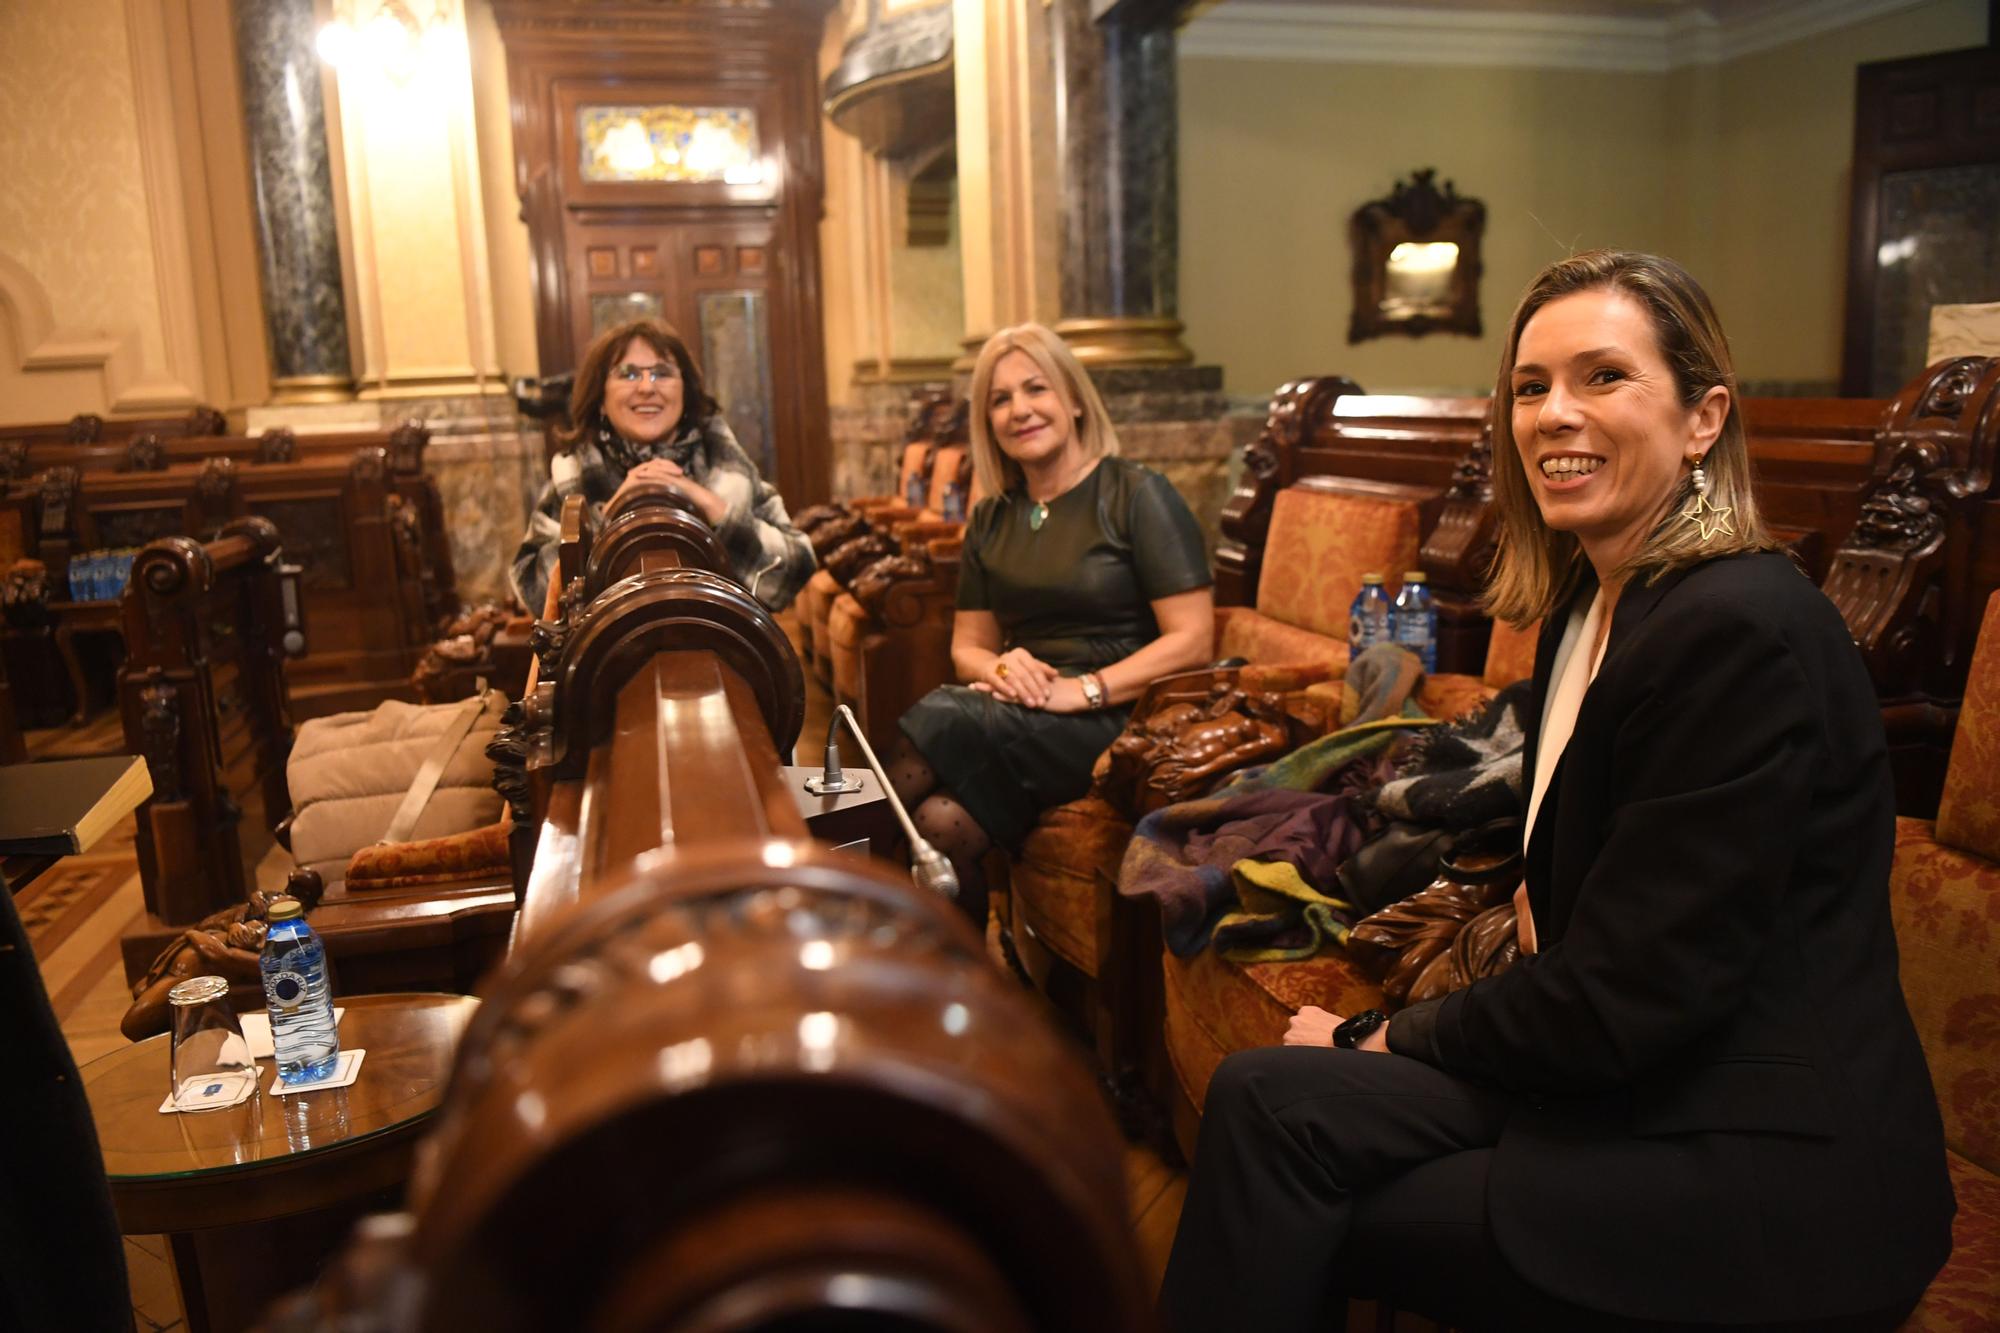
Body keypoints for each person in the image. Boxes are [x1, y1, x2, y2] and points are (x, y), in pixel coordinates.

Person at [1160, 251, 1955, 1332]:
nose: (1551, 414)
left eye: (1601, 377)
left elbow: (1628, 996)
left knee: (1297, 1178)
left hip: (1752, 1158)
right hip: (1633, 1074)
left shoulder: (1740, 633)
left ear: (1701, 417)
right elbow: (1590, 923)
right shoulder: (1590, 599)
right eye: (1529, 387)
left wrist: (1383, 1035)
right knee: (1264, 1097)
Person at [889, 323, 1215, 922]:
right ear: (987, 422)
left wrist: (1085, 690)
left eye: (1035, 389)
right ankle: (960, 998)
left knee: (938, 712)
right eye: (1000, 399)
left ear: (1073, 399)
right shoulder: (992, 517)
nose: (1020, 410)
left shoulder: (1138, 494)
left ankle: (828, 885)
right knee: (940, 821)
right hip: (1022, 709)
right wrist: (1003, 666)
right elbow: (969, 648)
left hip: (1119, 717)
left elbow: (1194, 639)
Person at [509, 318, 814, 615]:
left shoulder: (725, 462)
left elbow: (796, 567)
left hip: (725, 647)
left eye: (661, 373)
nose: (646, 387)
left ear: (685, 391)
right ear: (601, 398)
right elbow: (532, 589)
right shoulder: (573, 473)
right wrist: (608, 518)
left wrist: (712, 507)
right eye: (628, 374)